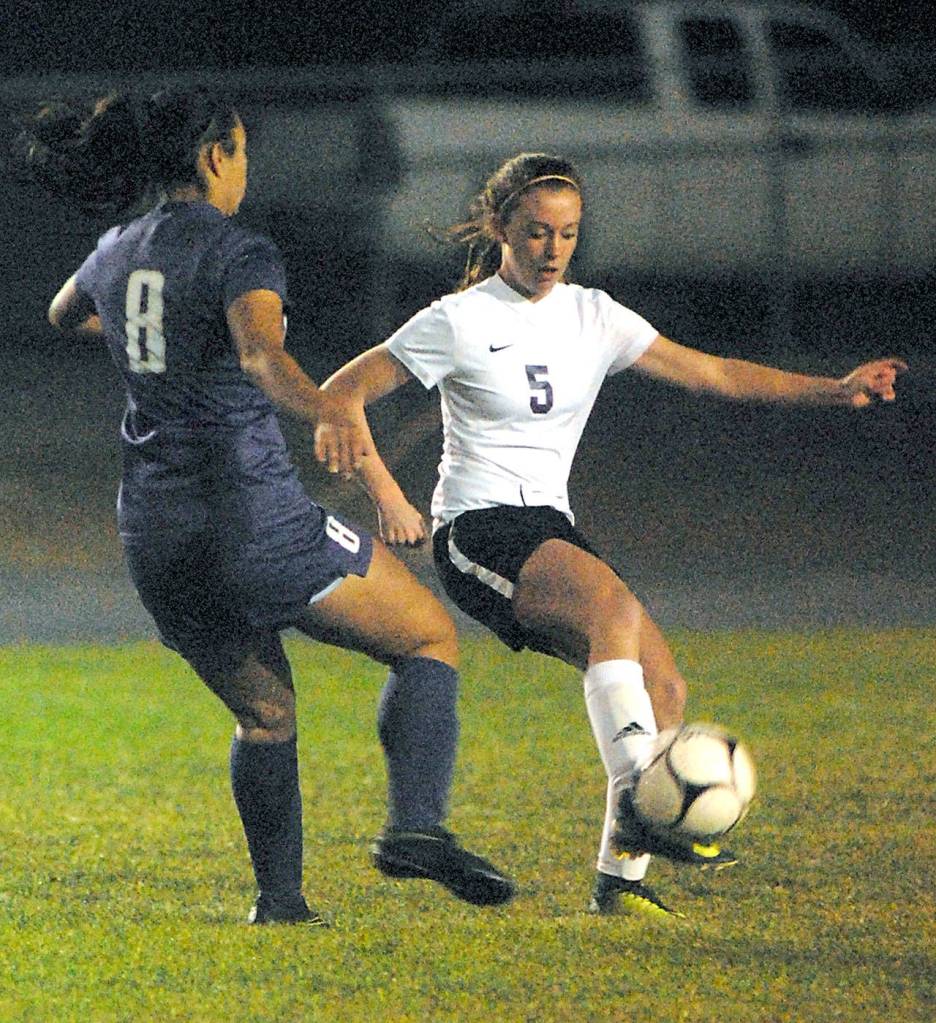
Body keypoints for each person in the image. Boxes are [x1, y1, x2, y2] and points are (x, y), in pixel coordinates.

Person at [318, 151, 906, 918]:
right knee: (612, 609)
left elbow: (716, 373)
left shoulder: (594, 314)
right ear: (500, 228)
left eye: (567, 233)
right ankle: (640, 801)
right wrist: (390, 497)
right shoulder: (459, 320)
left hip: (548, 525)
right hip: (476, 531)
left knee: (663, 687)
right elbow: (341, 392)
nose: (553, 249)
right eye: (535, 232)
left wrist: (834, 389)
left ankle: (618, 886)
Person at [18, 87, 515, 925]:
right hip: (249, 515)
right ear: (216, 156)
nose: (245, 168)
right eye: (240, 152)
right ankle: (415, 828)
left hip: (155, 533)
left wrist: (162, 340)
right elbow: (260, 354)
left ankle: (280, 903)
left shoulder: (115, 247)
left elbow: (66, 312)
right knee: (429, 635)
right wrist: (324, 405)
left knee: (266, 713)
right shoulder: (238, 249)